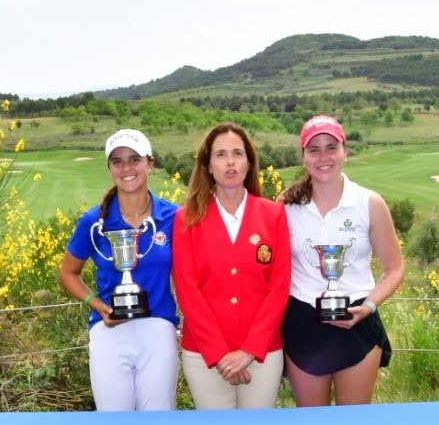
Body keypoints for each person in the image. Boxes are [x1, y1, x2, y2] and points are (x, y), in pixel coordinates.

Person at [280, 115, 405, 406]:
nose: (323, 157)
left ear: (345, 151)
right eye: (314, 149)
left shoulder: (369, 203)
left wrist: (368, 307)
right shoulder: (286, 205)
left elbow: (394, 268)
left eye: (331, 147)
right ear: (303, 157)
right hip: (303, 325)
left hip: (358, 323)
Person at [172, 122, 290, 409]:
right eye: (221, 154)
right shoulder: (186, 219)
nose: (230, 162)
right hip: (205, 358)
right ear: (208, 166)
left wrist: (249, 350)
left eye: (237, 153)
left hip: (262, 354)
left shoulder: (273, 215)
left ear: (249, 163)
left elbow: (279, 288)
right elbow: (187, 291)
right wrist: (220, 354)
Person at [59, 129, 179, 411]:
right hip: (108, 331)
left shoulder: (174, 217)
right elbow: (67, 273)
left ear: (149, 163)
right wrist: (97, 305)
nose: (127, 168)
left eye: (134, 159)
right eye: (118, 161)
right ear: (110, 168)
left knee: (158, 424)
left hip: (159, 329)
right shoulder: (93, 221)